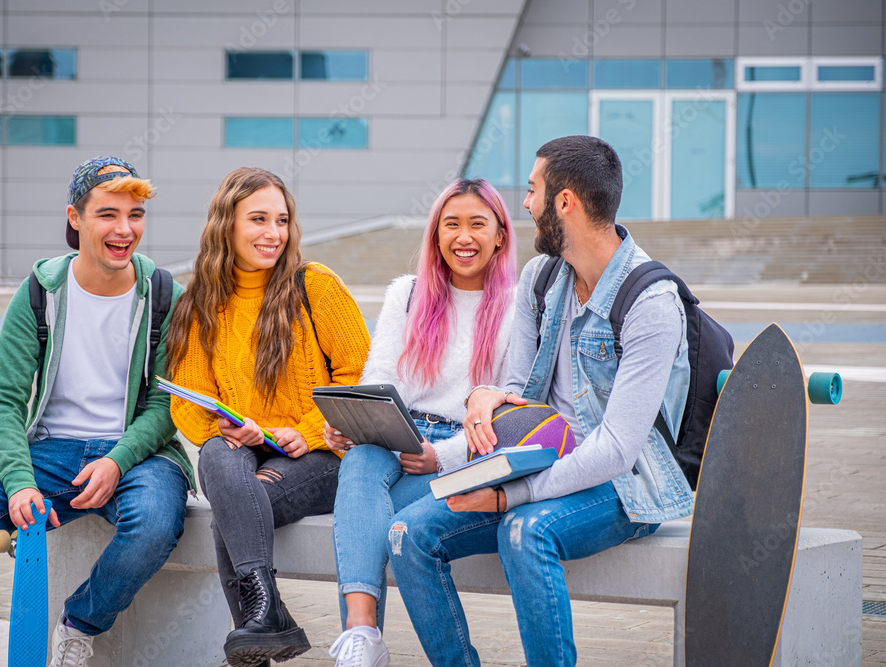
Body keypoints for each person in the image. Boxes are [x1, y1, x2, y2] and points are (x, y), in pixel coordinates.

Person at [388, 135, 695, 666]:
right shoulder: (542, 277)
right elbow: (521, 399)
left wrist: (512, 497)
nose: (524, 205)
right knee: (406, 534)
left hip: (626, 486)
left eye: (532, 191)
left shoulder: (651, 301)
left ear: (565, 201)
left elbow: (618, 450)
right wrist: (485, 399)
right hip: (540, 462)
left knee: (525, 533)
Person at [0, 156, 194, 667]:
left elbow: (167, 401)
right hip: (52, 450)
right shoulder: (41, 291)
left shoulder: (165, 295)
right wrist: (19, 482)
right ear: (75, 217)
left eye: (136, 215)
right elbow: (3, 399)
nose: (125, 230)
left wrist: (118, 460)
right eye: (108, 214)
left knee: (155, 522)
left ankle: (78, 624)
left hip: (141, 455)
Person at [166, 167, 371, 667]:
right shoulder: (201, 304)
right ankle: (266, 617)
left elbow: (363, 379)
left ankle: (261, 628)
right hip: (243, 451)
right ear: (227, 226)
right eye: (258, 219)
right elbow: (189, 402)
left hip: (325, 453)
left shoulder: (314, 286)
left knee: (230, 511)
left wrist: (303, 430)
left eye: (281, 220)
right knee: (217, 452)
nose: (273, 233)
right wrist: (227, 425)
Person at [323, 178, 517, 667]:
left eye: (477, 224)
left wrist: (443, 455)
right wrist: (352, 420)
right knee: (361, 457)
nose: (463, 236)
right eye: (451, 224)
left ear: (500, 236)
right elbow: (380, 377)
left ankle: (361, 643)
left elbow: (513, 409)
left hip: (465, 451)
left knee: (371, 515)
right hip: (396, 434)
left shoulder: (518, 308)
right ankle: (362, 633)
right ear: (435, 235)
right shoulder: (407, 294)